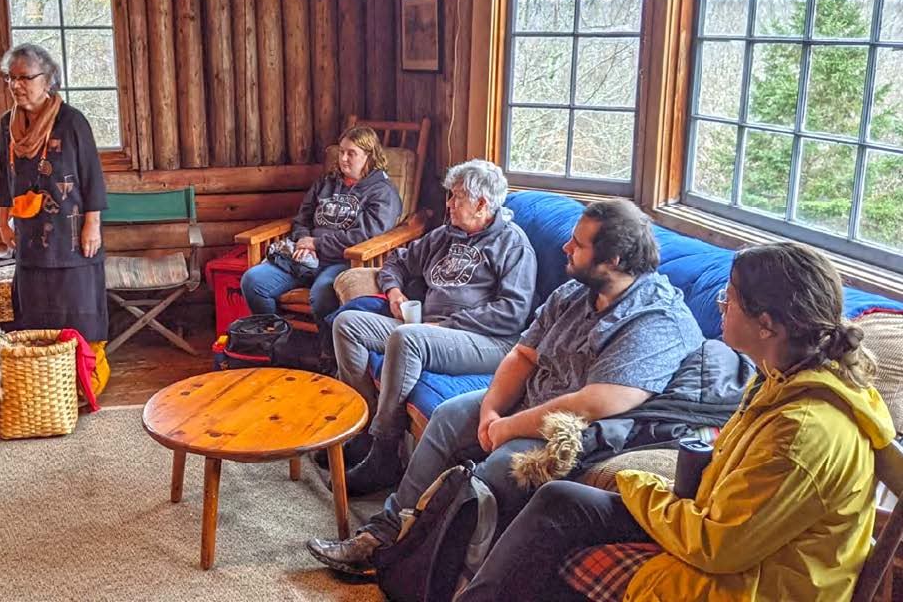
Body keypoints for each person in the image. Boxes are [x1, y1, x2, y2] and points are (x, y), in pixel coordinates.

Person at [451, 241, 893, 602]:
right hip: (733, 541)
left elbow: (717, 547)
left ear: (767, 325)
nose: (721, 306)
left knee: (552, 550)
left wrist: (637, 485)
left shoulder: (803, 430)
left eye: (730, 299)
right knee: (560, 499)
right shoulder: (778, 381)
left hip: (754, 584)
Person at [308, 198, 705, 576]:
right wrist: (491, 412)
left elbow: (596, 402)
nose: (566, 247)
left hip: (574, 434)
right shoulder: (576, 292)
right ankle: (386, 531)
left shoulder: (655, 319)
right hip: (533, 400)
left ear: (614, 260)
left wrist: (509, 428)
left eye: (578, 244)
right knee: (448, 417)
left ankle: (422, 559)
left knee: (500, 467)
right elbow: (522, 356)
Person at [325, 159, 537, 495]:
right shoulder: (446, 235)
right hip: (428, 328)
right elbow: (396, 260)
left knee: (408, 338)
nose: (449, 204)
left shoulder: (513, 246)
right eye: (450, 196)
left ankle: (383, 454)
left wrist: (444, 324)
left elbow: (511, 313)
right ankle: (361, 430)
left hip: (488, 341)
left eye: (457, 198)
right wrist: (394, 292)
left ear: (482, 204)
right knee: (347, 323)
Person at [0, 43, 108, 343]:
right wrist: (1, 219)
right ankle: (41, 373)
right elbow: (4, 175)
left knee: (77, 307)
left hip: (70, 235)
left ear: (49, 80)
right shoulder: (8, 123)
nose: (16, 85)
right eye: (10, 78)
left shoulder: (72, 121)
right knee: (33, 311)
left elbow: (92, 176)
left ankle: (81, 373)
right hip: (28, 233)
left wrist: (92, 225)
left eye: (25, 78)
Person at [240, 126, 402, 323]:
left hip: (344, 261)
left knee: (322, 295)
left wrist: (316, 244)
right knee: (253, 282)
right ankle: (277, 340)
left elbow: (363, 235)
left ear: (369, 156)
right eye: (341, 152)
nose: (343, 159)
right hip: (305, 256)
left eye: (351, 153)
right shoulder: (327, 182)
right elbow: (303, 218)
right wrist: (302, 240)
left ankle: (328, 352)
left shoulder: (382, 192)